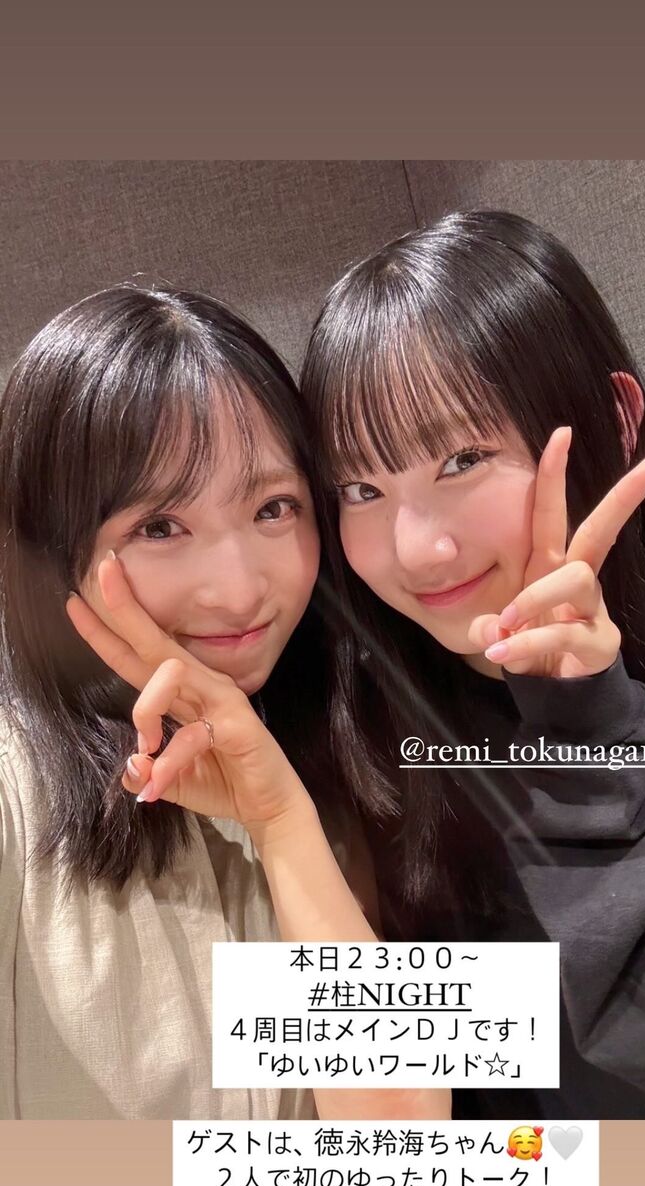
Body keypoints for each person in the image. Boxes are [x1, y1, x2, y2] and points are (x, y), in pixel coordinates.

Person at [296, 209, 645, 1119]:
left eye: (462, 457)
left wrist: (594, 724)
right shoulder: (360, 738)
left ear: (617, 416)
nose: (417, 551)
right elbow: (391, 1143)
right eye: (362, 488)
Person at [0, 282, 447, 1122]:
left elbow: (404, 1155)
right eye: (158, 527)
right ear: (51, 549)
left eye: (274, 508)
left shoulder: (351, 771)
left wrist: (282, 823)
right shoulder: (14, 792)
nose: (240, 592)